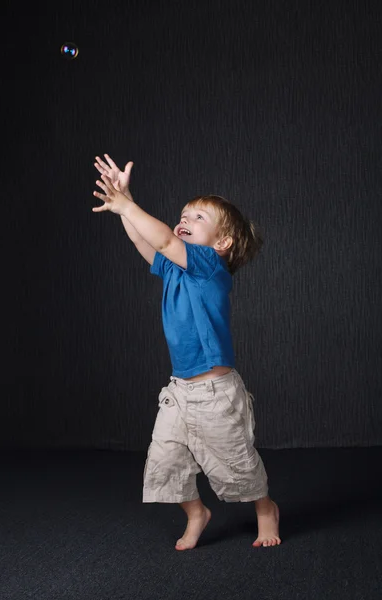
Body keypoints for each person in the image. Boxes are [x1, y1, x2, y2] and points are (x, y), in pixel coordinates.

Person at [93, 154, 281, 549]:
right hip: (179, 391)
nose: (185, 219)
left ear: (222, 243)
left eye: (198, 218)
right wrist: (121, 200)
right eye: (184, 213)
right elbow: (143, 240)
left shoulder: (211, 267)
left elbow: (163, 238)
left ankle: (265, 508)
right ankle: (197, 512)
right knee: (164, 463)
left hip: (216, 395)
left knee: (236, 466)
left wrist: (129, 205)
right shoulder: (176, 267)